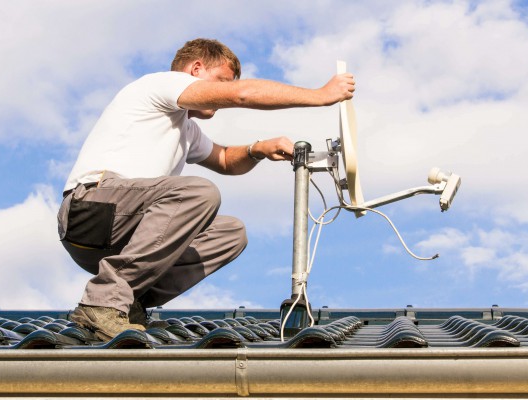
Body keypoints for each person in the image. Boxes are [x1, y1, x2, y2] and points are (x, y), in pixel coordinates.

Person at [57, 38, 355, 340]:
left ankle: (128, 302)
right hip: (90, 209)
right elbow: (241, 95)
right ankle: (102, 300)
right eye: (221, 82)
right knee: (199, 194)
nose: (222, 94)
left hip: (119, 235)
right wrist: (321, 96)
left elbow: (225, 159)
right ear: (196, 69)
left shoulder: (186, 130)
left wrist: (259, 148)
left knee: (231, 233)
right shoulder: (162, 85)